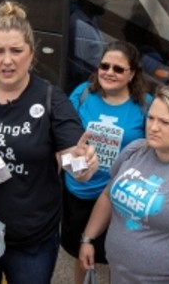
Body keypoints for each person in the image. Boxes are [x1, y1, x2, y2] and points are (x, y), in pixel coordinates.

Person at [0, 0, 99, 284]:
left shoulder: (51, 99)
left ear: (31, 54)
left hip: (30, 240)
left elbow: (71, 156)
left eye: (16, 51)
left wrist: (83, 165)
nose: (7, 60)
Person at [79, 86, 169, 284]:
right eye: (151, 118)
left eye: (165, 122)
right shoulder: (135, 150)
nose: (153, 127)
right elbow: (108, 195)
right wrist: (88, 238)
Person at [62, 41, 153, 284]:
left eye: (118, 69)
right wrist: (72, 159)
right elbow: (64, 135)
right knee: (82, 254)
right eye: (104, 66)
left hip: (120, 198)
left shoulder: (145, 105)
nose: (109, 72)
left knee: (117, 258)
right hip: (80, 192)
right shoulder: (82, 93)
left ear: (132, 74)